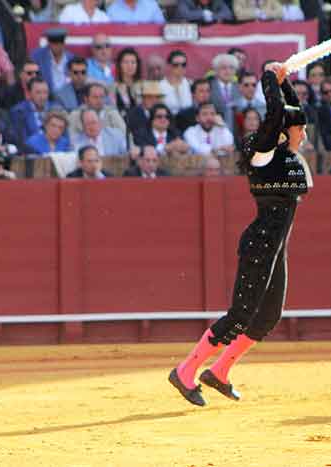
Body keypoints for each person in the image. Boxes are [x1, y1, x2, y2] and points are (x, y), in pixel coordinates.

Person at [169, 61, 312, 406]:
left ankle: (218, 371)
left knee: (268, 315)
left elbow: (294, 114)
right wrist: (268, 77)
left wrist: (286, 81)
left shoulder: (285, 154)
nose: (303, 132)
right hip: (262, 243)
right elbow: (278, 112)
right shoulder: (262, 156)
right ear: (279, 132)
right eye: (295, 129)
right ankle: (185, 371)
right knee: (240, 314)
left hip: (275, 246)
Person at [31, 28, 75, 93]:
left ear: (63, 43)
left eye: (60, 43)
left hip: (66, 96)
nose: (57, 46)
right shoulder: (38, 56)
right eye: (54, 43)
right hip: (45, 96)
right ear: (49, 43)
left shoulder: (71, 58)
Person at [160, 50, 192, 115]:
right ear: (168, 66)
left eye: (183, 64)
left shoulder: (190, 84)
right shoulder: (160, 86)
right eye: (176, 65)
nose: (180, 68)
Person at [113, 48, 143, 118]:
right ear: (119, 65)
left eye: (133, 62)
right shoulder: (113, 87)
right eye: (126, 62)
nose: (130, 65)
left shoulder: (143, 86)